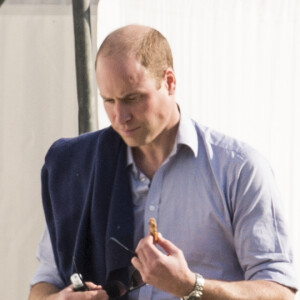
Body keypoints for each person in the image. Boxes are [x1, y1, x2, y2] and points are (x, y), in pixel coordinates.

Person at [29, 24, 298, 300]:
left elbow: (279, 292)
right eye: (108, 100)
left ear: (169, 81)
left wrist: (191, 286)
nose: (120, 116)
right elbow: (45, 282)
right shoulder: (80, 168)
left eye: (132, 98)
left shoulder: (239, 169)